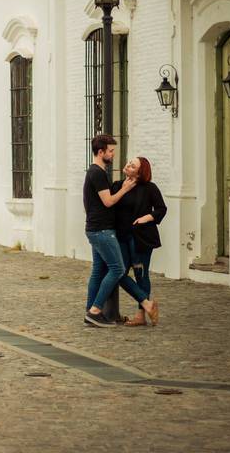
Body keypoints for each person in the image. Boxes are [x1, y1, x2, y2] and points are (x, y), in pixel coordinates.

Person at [83, 134, 137, 328]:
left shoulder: (95, 172)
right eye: (111, 151)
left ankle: (90, 313)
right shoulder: (97, 173)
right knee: (117, 268)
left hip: (95, 229)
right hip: (102, 230)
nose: (113, 154)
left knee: (98, 271)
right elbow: (108, 201)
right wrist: (125, 188)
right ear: (101, 152)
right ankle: (96, 310)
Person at [113, 156, 165, 327]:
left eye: (132, 165)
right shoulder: (117, 186)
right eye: (128, 162)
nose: (127, 165)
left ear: (140, 172)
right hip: (121, 237)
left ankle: (140, 315)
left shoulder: (149, 188)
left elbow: (161, 209)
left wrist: (146, 218)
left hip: (141, 238)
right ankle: (147, 303)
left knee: (140, 274)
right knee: (119, 273)